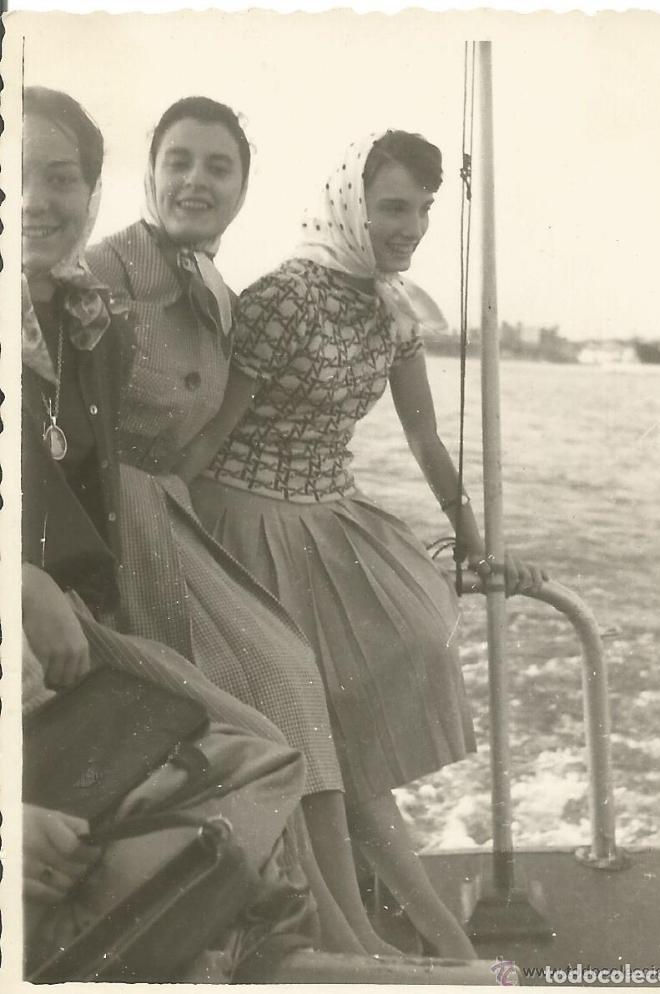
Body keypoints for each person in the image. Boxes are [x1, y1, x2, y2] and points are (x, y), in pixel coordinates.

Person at [20, 85, 387, 962]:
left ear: (245, 187)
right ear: (144, 178)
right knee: (266, 696)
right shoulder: (104, 272)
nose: (196, 180)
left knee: (293, 684)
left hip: (162, 519)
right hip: (118, 536)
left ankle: (336, 933)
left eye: (218, 166)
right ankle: (314, 941)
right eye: (177, 161)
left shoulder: (216, 289)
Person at [180, 130, 548, 957]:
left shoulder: (391, 306)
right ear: (352, 205)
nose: (411, 226)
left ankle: (436, 943)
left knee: (392, 676)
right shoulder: (281, 299)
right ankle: (362, 941)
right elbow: (211, 438)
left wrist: (475, 542)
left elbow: (423, 437)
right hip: (243, 525)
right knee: (305, 740)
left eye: (422, 209)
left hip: (328, 520)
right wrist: (159, 531)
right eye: (392, 208)